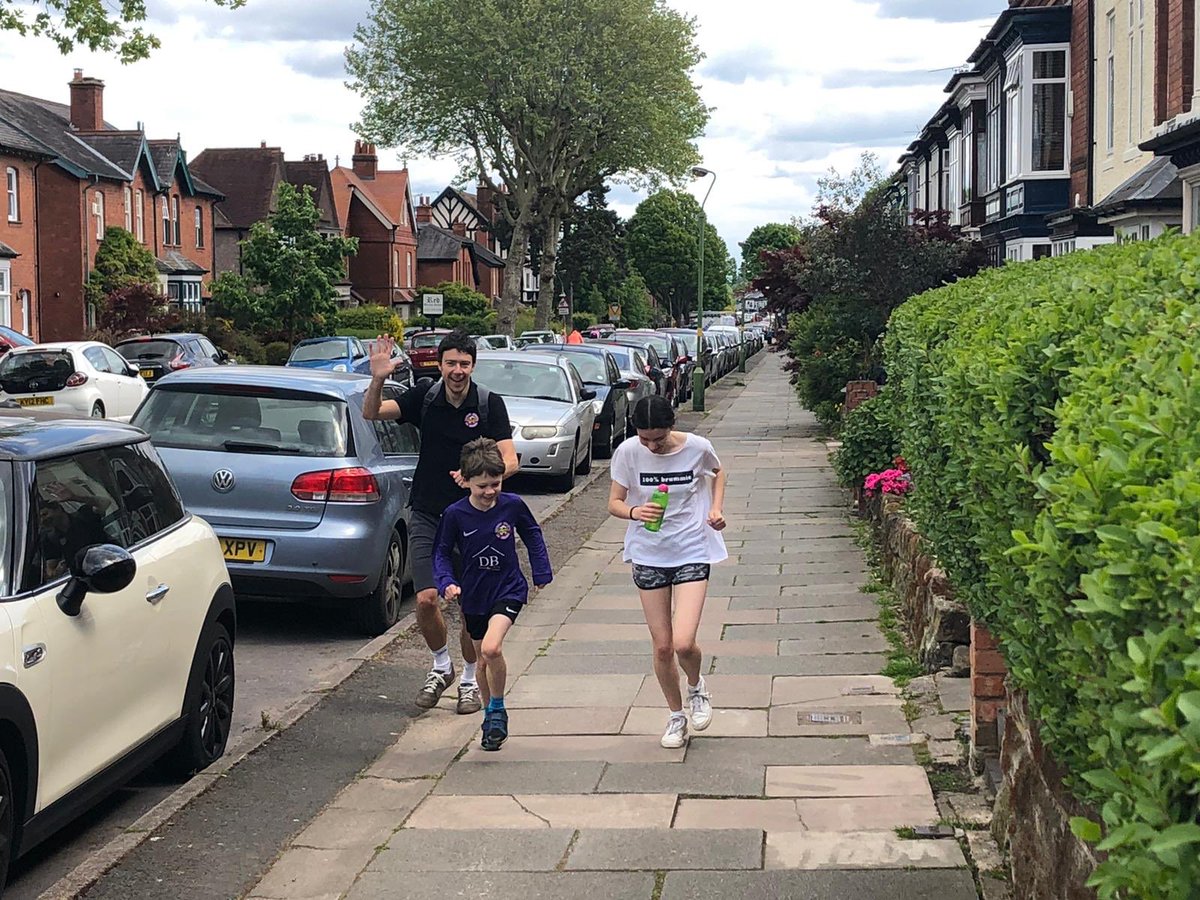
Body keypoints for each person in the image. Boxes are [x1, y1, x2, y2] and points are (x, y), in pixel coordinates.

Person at [364, 329, 519, 713]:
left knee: (470, 607)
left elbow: (510, 460)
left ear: (473, 366)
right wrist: (379, 378)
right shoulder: (426, 397)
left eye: (464, 364)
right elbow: (372, 412)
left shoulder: (488, 405)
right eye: (451, 363)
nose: (457, 370)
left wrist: (478, 480)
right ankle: (440, 667)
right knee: (427, 598)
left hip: (475, 520)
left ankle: (468, 679)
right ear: (440, 364)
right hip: (429, 513)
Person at [607, 395, 728, 748]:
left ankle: (696, 688)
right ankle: (676, 716)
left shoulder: (698, 448)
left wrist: (716, 509)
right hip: (648, 553)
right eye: (644, 438)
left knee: (683, 642)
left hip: (691, 548)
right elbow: (614, 502)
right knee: (662, 647)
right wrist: (633, 513)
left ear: (671, 426)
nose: (651, 446)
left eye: (657, 439)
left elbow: (718, 473)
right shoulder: (628, 452)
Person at [433, 438, 552, 750]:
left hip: (508, 588)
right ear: (467, 482)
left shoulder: (512, 505)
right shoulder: (455, 515)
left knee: (492, 648)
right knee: (483, 661)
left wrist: (541, 571)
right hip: (473, 595)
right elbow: (442, 553)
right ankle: (490, 720)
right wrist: (446, 581)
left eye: (495, 484)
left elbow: (532, 533)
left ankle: (498, 710)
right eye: (482, 486)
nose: (489, 492)